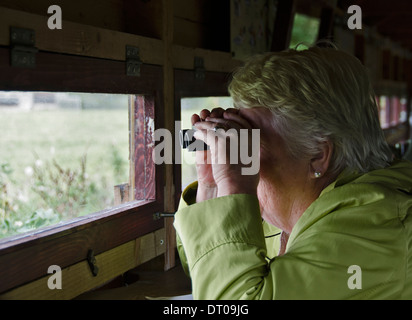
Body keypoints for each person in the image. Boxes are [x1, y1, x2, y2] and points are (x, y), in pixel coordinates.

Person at [173, 46, 412, 300]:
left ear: (318, 155)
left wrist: (233, 187)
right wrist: (211, 186)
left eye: (252, 146)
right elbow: (204, 268)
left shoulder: (373, 226)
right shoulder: (298, 204)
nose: (242, 158)